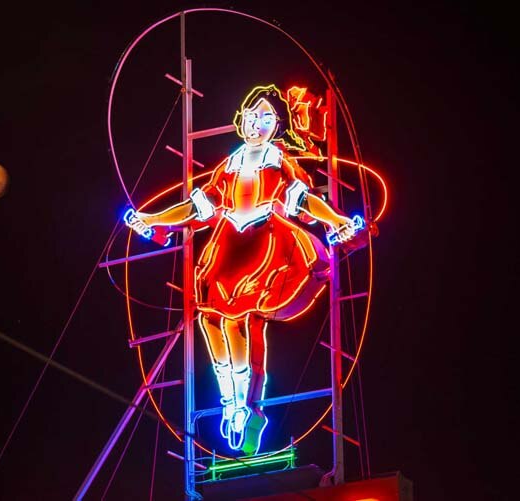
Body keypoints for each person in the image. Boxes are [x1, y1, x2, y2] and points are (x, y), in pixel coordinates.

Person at [129, 84, 363, 454]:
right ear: (241, 121)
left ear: (276, 125)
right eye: (252, 116)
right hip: (227, 247)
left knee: (240, 320)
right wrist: (154, 219)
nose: (258, 122)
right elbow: (198, 206)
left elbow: (304, 201)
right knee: (209, 320)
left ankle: (248, 407)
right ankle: (231, 403)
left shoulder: (279, 160)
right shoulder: (230, 164)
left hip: (265, 243)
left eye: (267, 117)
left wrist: (336, 221)